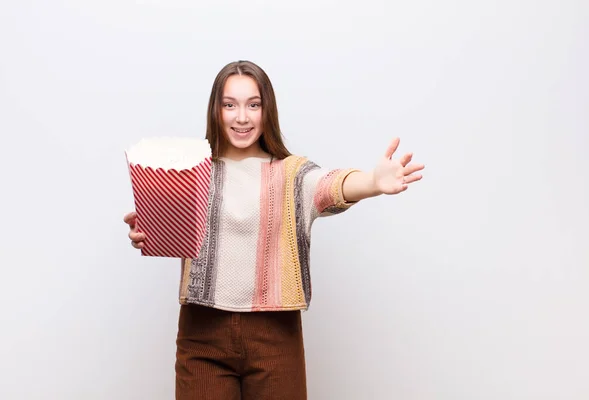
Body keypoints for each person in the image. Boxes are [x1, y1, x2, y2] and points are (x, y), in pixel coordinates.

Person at [123, 60, 424, 400]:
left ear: (267, 111)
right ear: (216, 110)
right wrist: (148, 231)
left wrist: (371, 182)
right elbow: (168, 227)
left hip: (275, 335)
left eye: (253, 105)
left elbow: (329, 186)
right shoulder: (192, 172)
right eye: (229, 105)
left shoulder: (292, 174)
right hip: (201, 332)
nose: (241, 117)